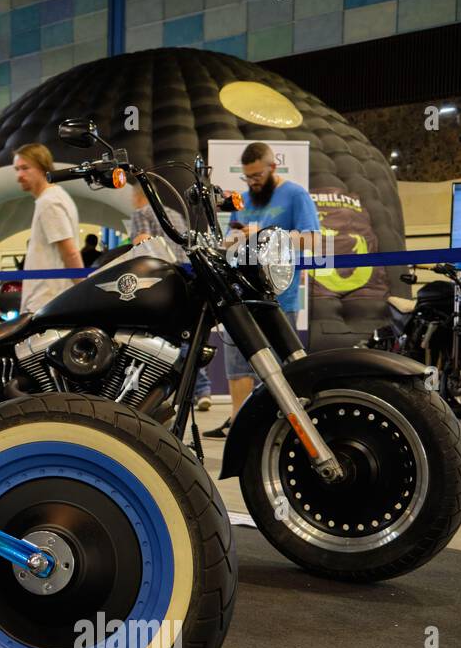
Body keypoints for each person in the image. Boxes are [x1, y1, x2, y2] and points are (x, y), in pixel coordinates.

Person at [205, 141, 322, 438]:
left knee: (282, 367)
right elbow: (236, 240)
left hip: (279, 298)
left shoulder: (295, 195)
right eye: (247, 177)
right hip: (240, 296)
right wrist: (233, 241)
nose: (252, 182)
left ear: (272, 167)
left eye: (257, 175)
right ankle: (238, 424)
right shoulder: (243, 199)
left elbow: (313, 241)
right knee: (236, 363)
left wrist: (267, 236)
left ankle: (287, 425)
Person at [128, 182, 213, 410]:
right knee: (189, 338)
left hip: (161, 281)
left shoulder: (141, 213)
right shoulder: (173, 214)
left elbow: (141, 243)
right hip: (184, 277)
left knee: (164, 341)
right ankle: (202, 390)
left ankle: (163, 395)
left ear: (138, 196)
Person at [12, 143, 82, 314]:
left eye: (25, 168)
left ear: (43, 168)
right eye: (16, 169)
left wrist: (84, 292)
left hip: (46, 304)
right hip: (49, 302)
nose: (19, 176)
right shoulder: (54, 197)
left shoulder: (49, 202)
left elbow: (70, 252)